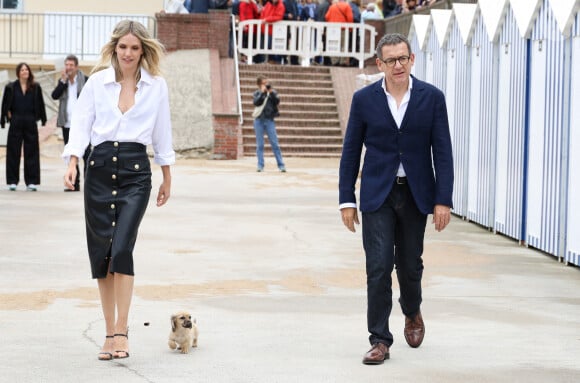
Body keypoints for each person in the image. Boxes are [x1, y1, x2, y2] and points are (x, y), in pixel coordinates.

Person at [62, 20, 175, 361]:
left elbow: (162, 134)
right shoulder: (97, 83)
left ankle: (122, 331)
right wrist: (72, 162)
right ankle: (109, 332)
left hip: (136, 173)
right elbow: (81, 124)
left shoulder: (157, 86)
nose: (128, 53)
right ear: (114, 48)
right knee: (102, 255)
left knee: (122, 248)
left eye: (135, 48)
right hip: (98, 172)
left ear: (143, 51)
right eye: (123, 47)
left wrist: (167, 176)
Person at [338, 33, 453, 365]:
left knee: (410, 265)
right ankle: (380, 339)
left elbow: (442, 153)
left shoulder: (432, 98)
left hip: (416, 193)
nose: (398, 65)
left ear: (412, 59)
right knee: (377, 266)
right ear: (380, 64)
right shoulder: (364, 100)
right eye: (391, 60)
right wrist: (346, 198)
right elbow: (350, 152)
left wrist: (442, 198)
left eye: (403, 58)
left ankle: (412, 309)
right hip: (377, 193)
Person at [0, 62, 47, 192]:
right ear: (18, 73)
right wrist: (3, 120)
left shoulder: (35, 87)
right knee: (13, 152)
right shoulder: (11, 87)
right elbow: (5, 104)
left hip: (30, 122)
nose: (25, 71)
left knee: (31, 152)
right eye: (22, 70)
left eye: (26, 69)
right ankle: (12, 181)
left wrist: (43, 120)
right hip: (15, 121)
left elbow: (40, 104)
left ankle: (31, 182)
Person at [51, 54, 89, 192]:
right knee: (71, 155)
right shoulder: (64, 82)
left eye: (71, 65)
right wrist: (62, 81)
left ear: (76, 67)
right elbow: (54, 95)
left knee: (87, 155)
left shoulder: (85, 80)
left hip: (84, 124)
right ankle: (74, 183)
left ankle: (89, 185)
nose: (68, 68)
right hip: (67, 124)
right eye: (66, 65)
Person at [252, 75, 286, 172]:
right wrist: (262, 93)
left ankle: (281, 165)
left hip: (269, 120)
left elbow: (277, 102)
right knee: (260, 145)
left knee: (275, 144)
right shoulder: (256, 93)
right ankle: (260, 165)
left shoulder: (273, 92)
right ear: (259, 84)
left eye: (267, 83)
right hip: (258, 120)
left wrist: (271, 94)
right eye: (263, 83)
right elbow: (256, 103)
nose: (266, 85)